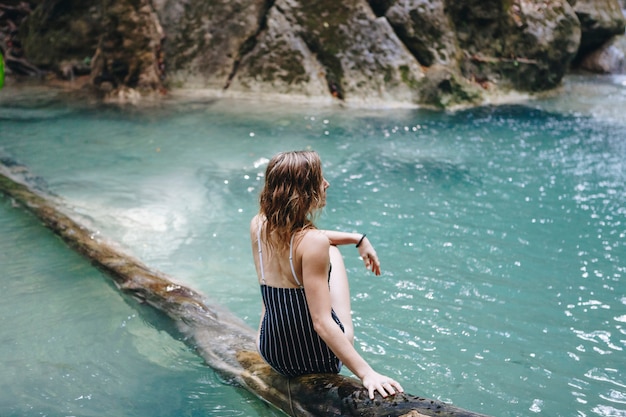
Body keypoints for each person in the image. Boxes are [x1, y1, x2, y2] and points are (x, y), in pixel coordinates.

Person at [249, 150, 404, 400]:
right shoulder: (315, 243)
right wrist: (367, 374)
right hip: (316, 360)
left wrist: (357, 238)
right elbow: (321, 322)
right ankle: (348, 345)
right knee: (333, 253)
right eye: (320, 179)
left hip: (271, 351)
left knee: (320, 250)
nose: (326, 184)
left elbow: (303, 236)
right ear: (305, 190)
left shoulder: (258, 224)